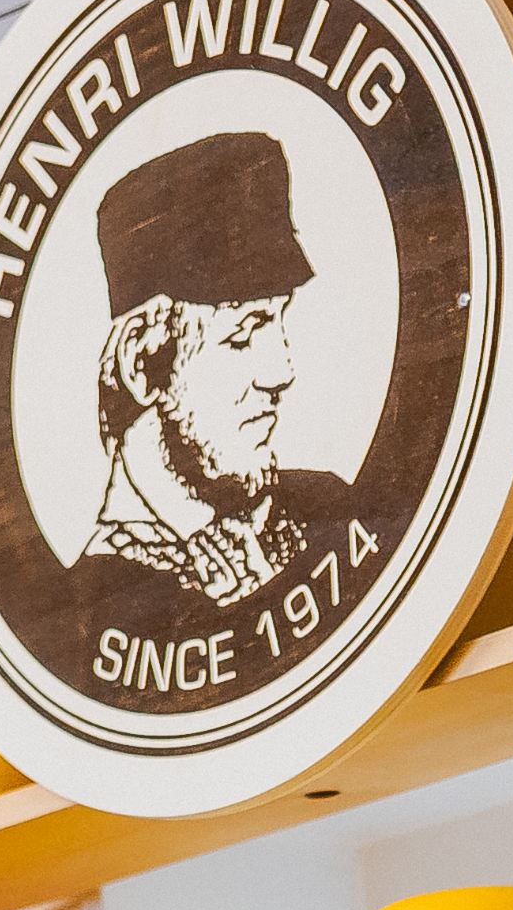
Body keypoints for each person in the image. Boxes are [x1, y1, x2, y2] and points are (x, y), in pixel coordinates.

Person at [56, 123, 381, 666]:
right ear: (143, 364)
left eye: (278, 321)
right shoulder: (90, 614)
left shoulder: (330, 506)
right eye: (242, 332)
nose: (282, 371)